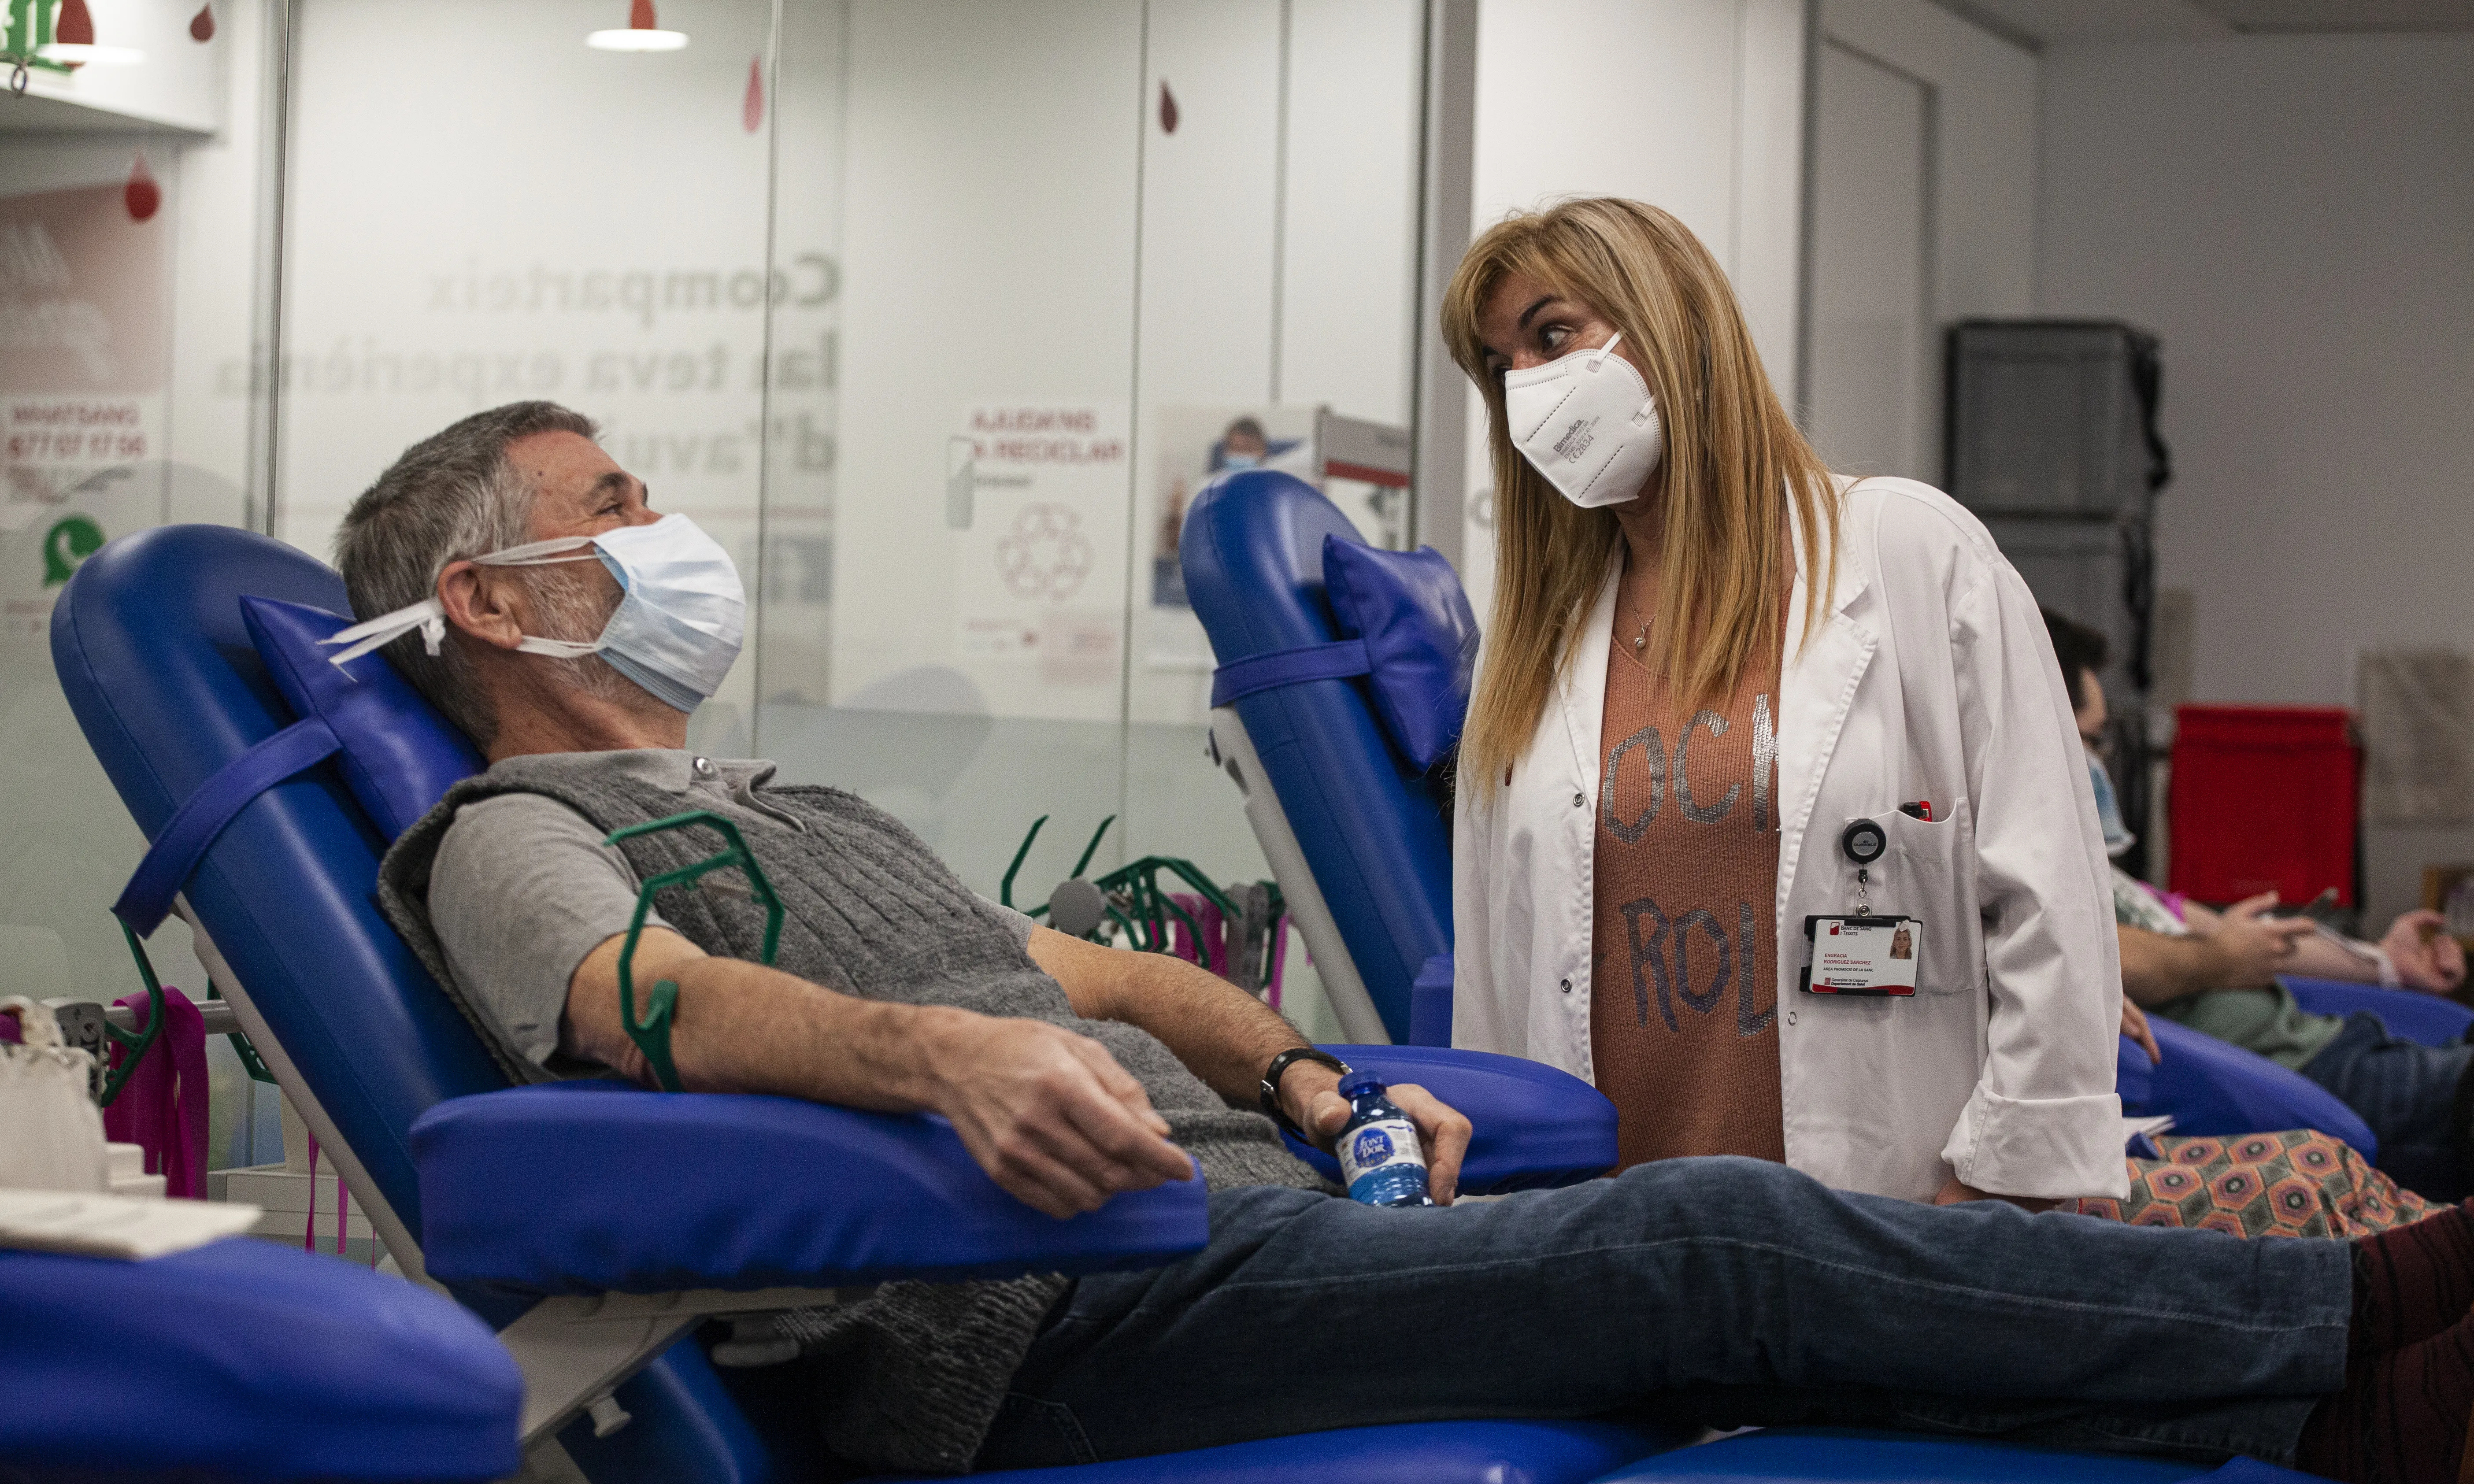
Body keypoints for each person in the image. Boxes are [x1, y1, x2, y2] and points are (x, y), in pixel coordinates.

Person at [334, 400, 2474, 1482]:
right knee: (1708, 1236)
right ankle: (2337, 1319)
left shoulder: (783, 804)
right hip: (1029, 1319)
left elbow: (1084, 974)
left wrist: (1292, 1067)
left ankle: (2317, 1410)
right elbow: (647, 1004)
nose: (663, 526)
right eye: (613, 501)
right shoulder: (498, 830)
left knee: (1742, 1319)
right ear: (499, 604)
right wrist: (939, 1059)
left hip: (1221, 1223)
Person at [1443, 197, 2122, 1209]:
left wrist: (2011, 1182)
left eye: (1554, 335)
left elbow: (2050, 892)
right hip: (1608, 1235)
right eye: (1504, 367)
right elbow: (1494, 990)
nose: (1532, 390)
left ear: (1673, 322)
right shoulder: (1533, 648)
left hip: (1888, 1216)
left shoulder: (1908, 555)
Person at [2043, 608, 2474, 1199]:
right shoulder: (2035, 877)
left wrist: (2385, 964)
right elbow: (2106, 956)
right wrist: (2219, 959)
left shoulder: (2108, 877)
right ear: (2039, 728)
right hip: (2292, 1080)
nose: (2103, 760)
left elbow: (2239, 937)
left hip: (2333, 1041)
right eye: (2091, 740)